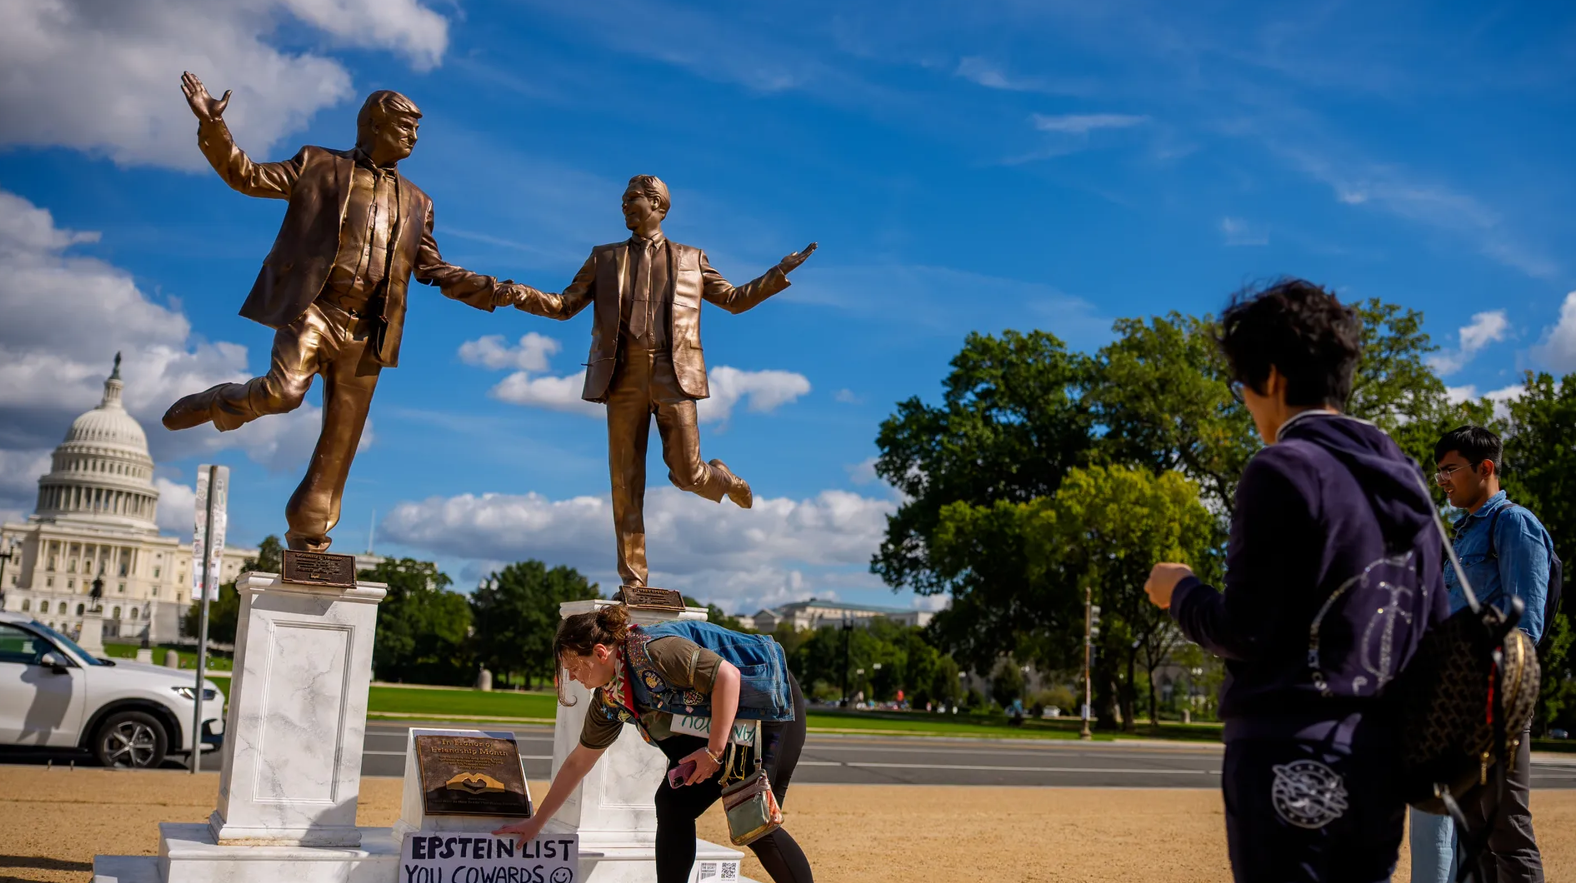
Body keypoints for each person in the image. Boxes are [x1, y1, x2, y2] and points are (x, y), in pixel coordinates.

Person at [1143, 279, 1448, 882]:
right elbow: (1433, 633)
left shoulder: (1284, 468)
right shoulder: (1408, 482)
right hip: (1380, 762)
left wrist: (1179, 591)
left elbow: (1244, 630)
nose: (1245, 400)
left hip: (1290, 754)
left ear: (1273, 378)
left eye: (1243, 383)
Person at [162, 74, 526, 552]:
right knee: (283, 393)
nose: (414, 137)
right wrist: (214, 126)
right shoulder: (318, 164)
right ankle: (217, 402)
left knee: (340, 441)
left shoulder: (419, 202)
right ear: (374, 124)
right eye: (405, 127)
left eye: (417, 130)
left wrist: (493, 290)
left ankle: (310, 533)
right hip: (315, 310)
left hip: (369, 330)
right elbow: (247, 176)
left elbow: (432, 268)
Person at [509, 176, 816, 587]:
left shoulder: (691, 258)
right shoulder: (604, 258)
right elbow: (565, 305)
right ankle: (634, 581)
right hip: (623, 375)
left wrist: (777, 273)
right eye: (623, 200)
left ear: (657, 204)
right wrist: (519, 294)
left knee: (687, 474)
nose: (623, 206)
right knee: (625, 479)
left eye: (631, 198)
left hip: (674, 375)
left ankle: (723, 479)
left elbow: (733, 300)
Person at [494, 605, 813, 883]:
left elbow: (727, 677)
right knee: (673, 806)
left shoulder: (653, 651)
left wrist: (713, 753)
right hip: (726, 725)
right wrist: (538, 822)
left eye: (575, 668)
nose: (573, 677)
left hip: (772, 706)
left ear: (601, 653)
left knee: (755, 819)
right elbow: (579, 761)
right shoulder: (609, 698)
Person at [1408, 426, 1550, 883]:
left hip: (1494, 700)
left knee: (1507, 831)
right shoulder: (1464, 534)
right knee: (1475, 838)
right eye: (1438, 472)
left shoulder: (1514, 523)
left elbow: (1525, 626)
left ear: (1485, 467)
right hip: (1455, 704)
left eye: (1450, 469)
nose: (1442, 480)